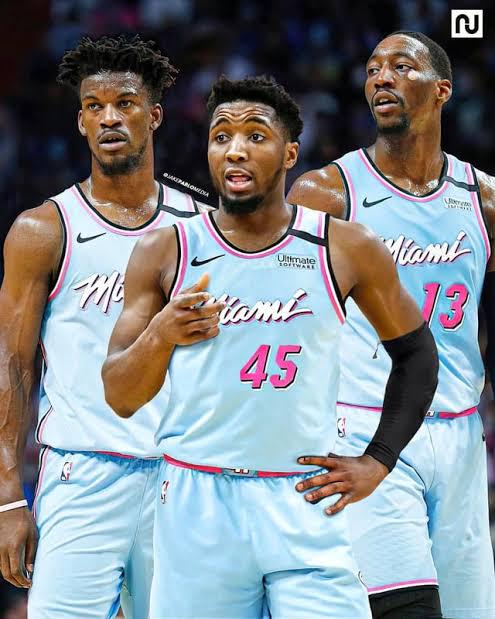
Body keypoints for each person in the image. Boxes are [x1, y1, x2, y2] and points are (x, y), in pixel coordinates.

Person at [102, 75, 438, 619]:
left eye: (255, 136)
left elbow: (418, 355)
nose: (235, 150)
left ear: (290, 154)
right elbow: (119, 395)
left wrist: (379, 460)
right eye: (221, 136)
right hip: (197, 503)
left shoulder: (344, 246)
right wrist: (161, 335)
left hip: (303, 497)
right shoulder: (165, 249)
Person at [288, 31, 495, 619]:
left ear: (442, 90)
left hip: (461, 434)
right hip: (364, 426)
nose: (381, 77)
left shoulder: (482, 199)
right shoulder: (328, 194)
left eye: (401, 66)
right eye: (373, 67)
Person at [0, 35, 205, 618]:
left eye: (125, 103)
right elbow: (12, 367)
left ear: (155, 116)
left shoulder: (202, 224)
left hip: (183, 479)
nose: (109, 117)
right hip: (81, 472)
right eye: (94, 106)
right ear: (81, 122)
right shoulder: (44, 229)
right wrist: (7, 499)